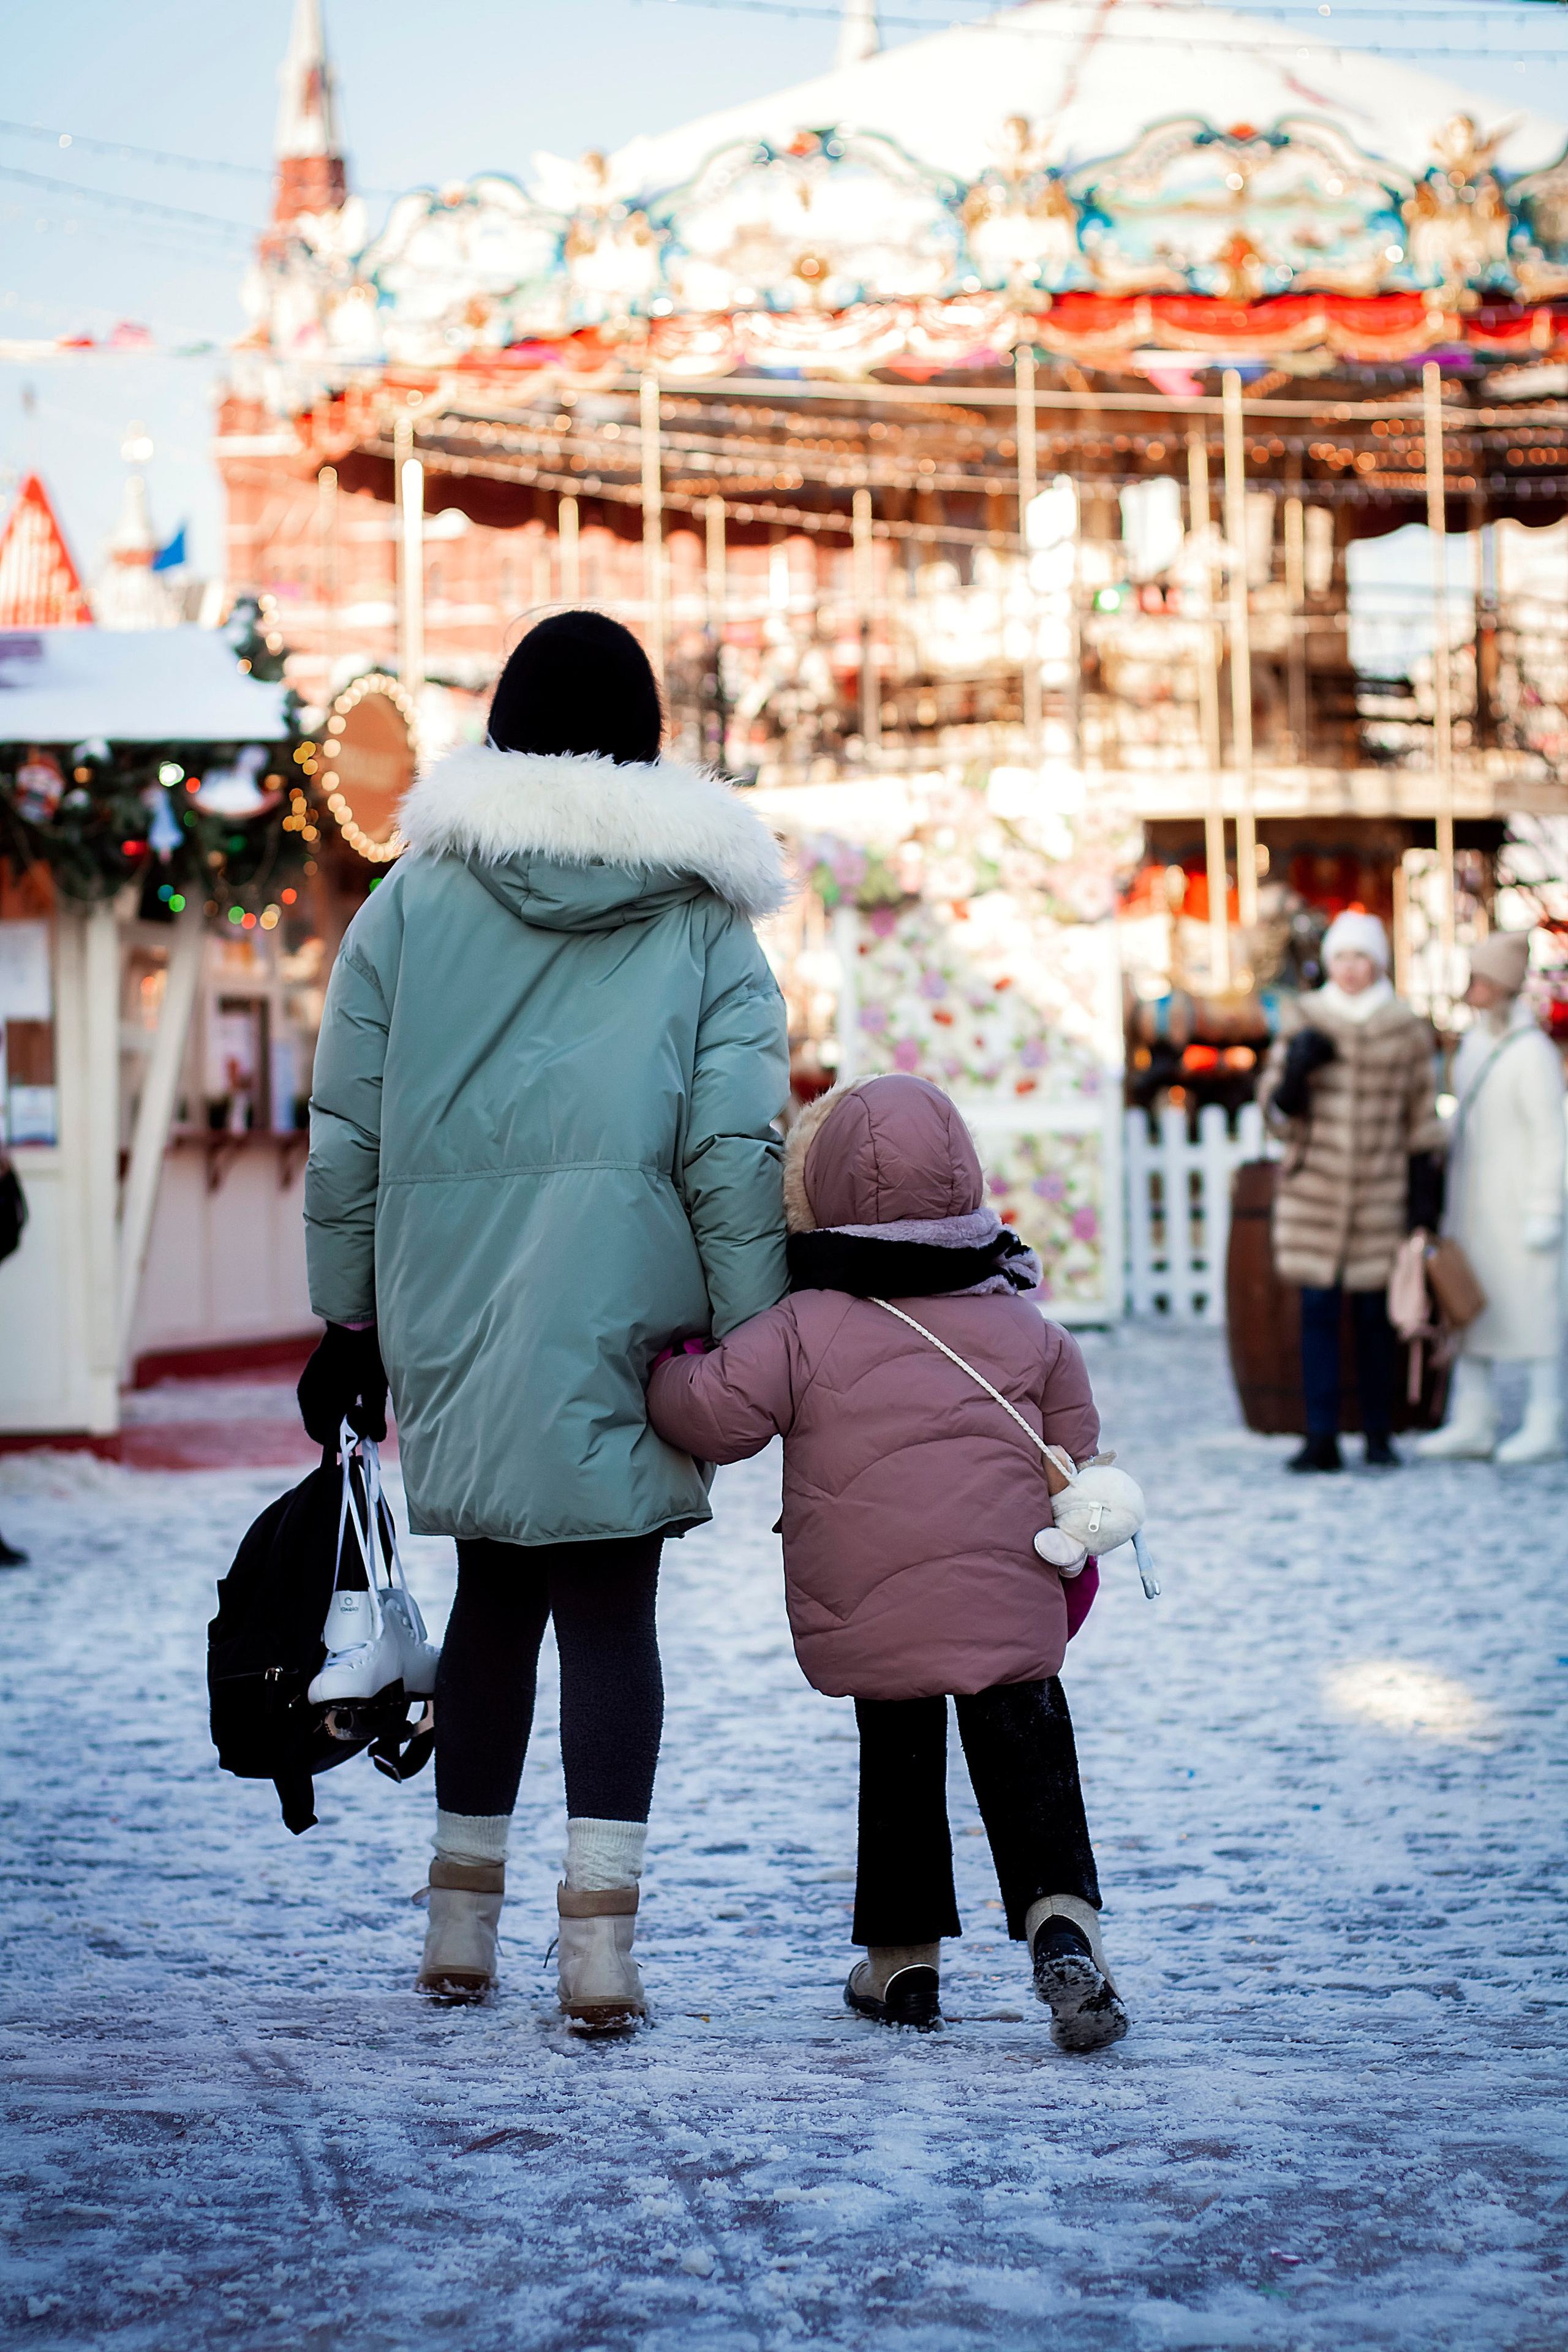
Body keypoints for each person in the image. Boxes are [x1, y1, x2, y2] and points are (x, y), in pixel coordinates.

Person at [299, 611, 790, 2022]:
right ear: (641, 736)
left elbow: (347, 1134)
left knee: (494, 1602)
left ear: (503, 727)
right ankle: (600, 1946)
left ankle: (459, 1928)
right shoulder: (700, 916)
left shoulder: (408, 902)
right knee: (611, 1613)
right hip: (630, 1314)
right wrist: (753, 1334)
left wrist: (345, 1322)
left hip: (448, 1311)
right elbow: (732, 1148)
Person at [647, 1073, 1128, 2051]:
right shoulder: (1029, 1329)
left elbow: (711, 1416)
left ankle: (902, 1964)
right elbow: (1071, 1458)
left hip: (871, 1602)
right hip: (1007, 1593)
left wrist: (671, 1361)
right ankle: (1063, 1928)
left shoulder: (801, 1328)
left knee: (898, 1754)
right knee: (1026, 1739)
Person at [1259, 908, 1442, 1474]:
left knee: (1373, 1319)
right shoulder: (1305, 1017)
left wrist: (1423, 1202)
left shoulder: (1406, 1027)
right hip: (1316, 1193)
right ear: (1329, 962)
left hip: (1380, 1196)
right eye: (1342, 957)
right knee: (1315, 1314)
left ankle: (1379, 1434)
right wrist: (1295, 1077)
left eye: (1362, 958)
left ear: (1378, 963)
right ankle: (1321, 1437)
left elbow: (1421, 1116)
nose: (1351, 969)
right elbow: (1275, 1112)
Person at [1416, 930, 1566, 1464]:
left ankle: (1546, 1416)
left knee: (1535, 1312)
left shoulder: (1533, 1055)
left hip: (1521, 1206)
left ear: (1502, 987)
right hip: (1475, 1205)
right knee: (1471, 1308)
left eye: (1482, 981)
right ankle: (1473, 1415)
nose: (1472, 991)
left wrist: (1546, 1208)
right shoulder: (1475, 1046)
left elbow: (1553, 1135)